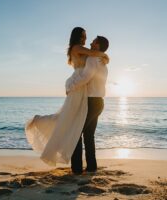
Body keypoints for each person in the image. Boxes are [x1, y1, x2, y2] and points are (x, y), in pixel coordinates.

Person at [25, 27, 108, 167]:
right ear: (76, 37)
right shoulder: (77, 49)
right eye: (83, 36)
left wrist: (102, 56)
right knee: (75, 128)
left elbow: (88, 72)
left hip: (84, 93)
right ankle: (85, 166)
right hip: (82, 92)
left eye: (87, 37)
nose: (86, 40)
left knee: (73, 129)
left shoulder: (94, 57)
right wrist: (104, 55)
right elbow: (90, 62)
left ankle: (80, 167)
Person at [66, 36, 109, 174]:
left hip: (91, 101)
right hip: (99, 102)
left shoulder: (92, 59)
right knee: (89, 135)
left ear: (97, 45)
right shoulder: (102, 61)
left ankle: (77, 169)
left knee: (76, 132)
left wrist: (70, 86)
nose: (90, 42)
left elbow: (85, 77)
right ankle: (91, 167)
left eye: (93, 41)